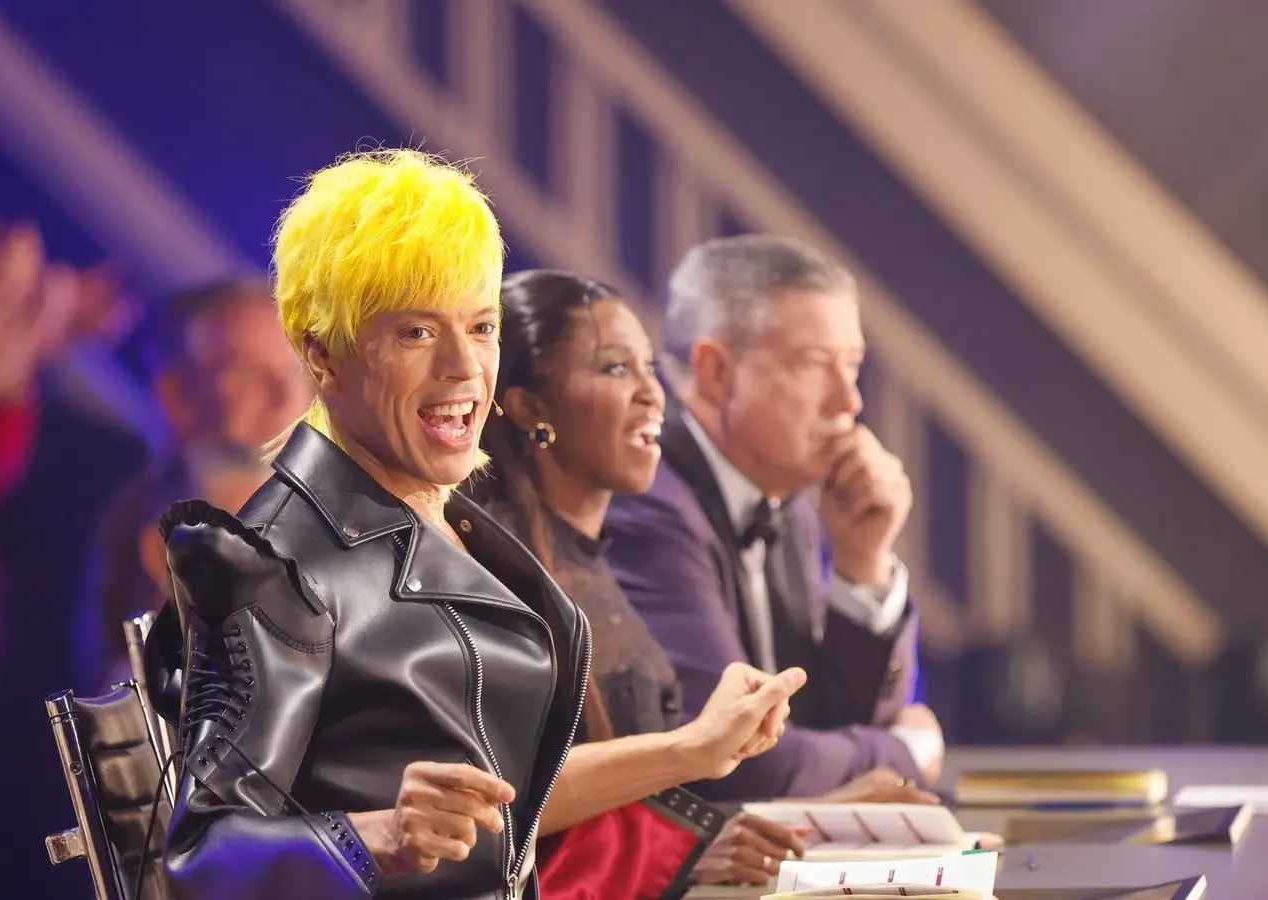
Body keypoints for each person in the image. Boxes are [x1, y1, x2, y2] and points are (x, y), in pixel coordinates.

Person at [147, 149, 805, 899]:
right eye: (416, 333)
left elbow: (512, 809)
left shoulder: (452, 518)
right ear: (323, 356)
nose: (464, 366)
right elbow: (202, 855)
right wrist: (378, 837)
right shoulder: (274, 566)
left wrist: (692, 769)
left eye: (482, 326)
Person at [606, 234, 945, 803]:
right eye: (813, 365)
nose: (849, 401)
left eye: (852, 366)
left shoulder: (785, 499)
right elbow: (738, 763)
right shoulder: (649, 504)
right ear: (717, 372)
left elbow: (827, 728)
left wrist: (862, 561)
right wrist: (907, 750)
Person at [84, 275, 310, 687]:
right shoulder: (152, 535)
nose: (285, 395)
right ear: (178, 397)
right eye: (247, 373)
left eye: (297, 370)